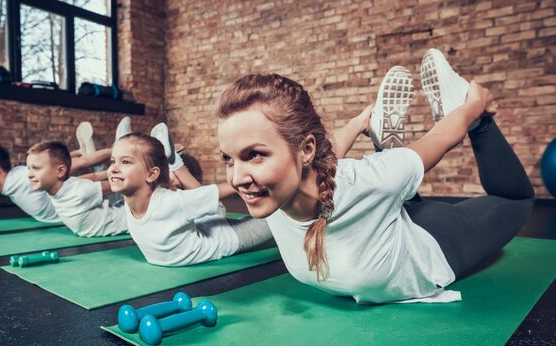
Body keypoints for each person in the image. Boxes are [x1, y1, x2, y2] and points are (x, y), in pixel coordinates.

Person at [216, 48, 534, 304]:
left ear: (305, 151)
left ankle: (475, 118)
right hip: (380, 216)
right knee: (383, 188)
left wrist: (476, 105)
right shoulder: (273, 195)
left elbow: (439, 140)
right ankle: (383, 143)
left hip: (427, 243)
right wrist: (358, 122)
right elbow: (327, 151)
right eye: (228, 159)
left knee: (516, 201)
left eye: (254, 155)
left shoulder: (364, 181)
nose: (238, 178)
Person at [108, 127, 275, 266]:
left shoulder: (169, 203)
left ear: (151, 174)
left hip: (226, 237)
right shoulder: (132, 196)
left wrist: (246, 182)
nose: (114, 168)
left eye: (126, 162)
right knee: (210, 206)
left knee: (276, 221)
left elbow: (217, 190)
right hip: (199, 225)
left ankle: (175, 165)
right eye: (112, 161)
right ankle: (174, 164)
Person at [0, 143, 111, 223]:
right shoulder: (13, 184)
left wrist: (118, 150)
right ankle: (100, 169)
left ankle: (107, 162)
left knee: (64, 180)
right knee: (65, 184)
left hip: (91, 209)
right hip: (68, 206)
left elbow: (79, 163)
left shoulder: (22, 178)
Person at [26, 141, 126, 237]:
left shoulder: (79, 192)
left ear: (60, 171)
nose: (29, 175)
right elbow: (94, 176)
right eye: (29, 169)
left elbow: (121, 184)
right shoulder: (66, 187)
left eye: (36, 168)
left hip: (126, 220)